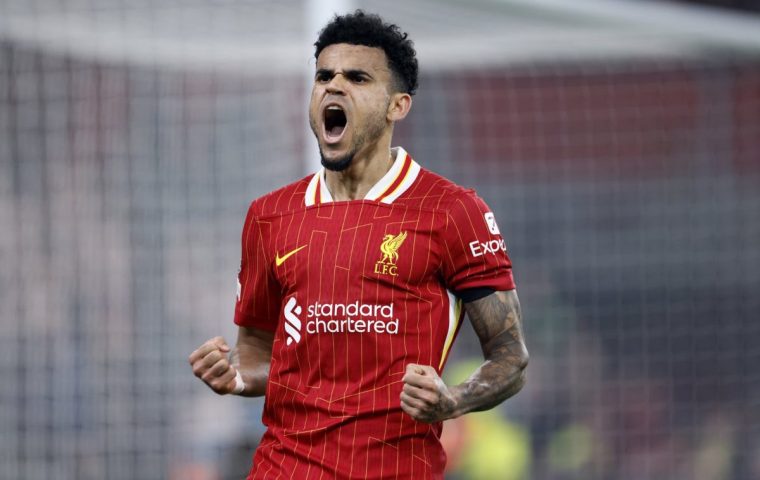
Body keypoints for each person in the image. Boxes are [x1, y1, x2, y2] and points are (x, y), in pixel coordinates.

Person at [189, 10, 529, 479]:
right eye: (324, 75)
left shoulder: (450, 211)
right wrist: (236, 376)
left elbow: (511, 359)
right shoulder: (270, 216)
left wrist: (452, 401)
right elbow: (256, 355)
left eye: (358, 77)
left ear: (398, 106)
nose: (334, 86)